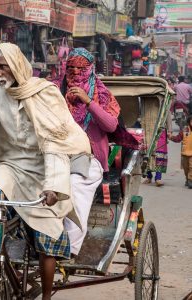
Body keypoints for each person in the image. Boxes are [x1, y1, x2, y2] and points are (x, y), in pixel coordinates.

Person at [0, 43, 91, 300]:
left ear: (16, 65)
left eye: (2, 66)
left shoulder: (45, 93)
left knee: (47, 236)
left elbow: (54, 143)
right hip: (10, 164)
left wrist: (52, 186)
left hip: (45, 165)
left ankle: (47, 296)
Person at [62, 48, 120, 255]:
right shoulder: (55, 89)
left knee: (75, 187)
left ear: (90, 69)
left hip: (89, 157)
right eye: (71, 68)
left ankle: (70, 249)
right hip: (56, 152)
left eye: (81, 68)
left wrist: (88, 102)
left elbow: (111, 126)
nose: (76, 73)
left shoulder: (102, 94)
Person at [144, 113, 172, 187]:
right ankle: (149, 176)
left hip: (161, 131)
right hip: (148, 130)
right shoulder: (145, 101)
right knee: (147, 154)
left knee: (159, 154)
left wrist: (169, 130)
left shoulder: (164, 102)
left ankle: (158, 178)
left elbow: (168, 116)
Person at [168, 115, 192, 189]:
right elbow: (178, 139)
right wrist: (171, 137)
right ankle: (187, 179)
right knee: (186, 168)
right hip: (184, 153)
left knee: (191, 167)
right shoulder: (184, 131)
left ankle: (190, 180)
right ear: (189, 122)